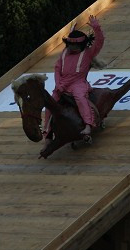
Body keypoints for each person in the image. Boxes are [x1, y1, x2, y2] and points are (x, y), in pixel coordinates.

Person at [42, 15, 105, 152]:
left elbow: (99, 42)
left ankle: (88, 125)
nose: (72, 47)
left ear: (82, 45)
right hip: (62, 84)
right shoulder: (64, 53)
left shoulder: (88, 53)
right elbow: (57, 68)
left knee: (80, 98)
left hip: (78, 83)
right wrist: (58, 84)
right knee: (51, 103)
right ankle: (47, 134)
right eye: (70, 45)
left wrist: (96, 28)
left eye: (76, 45)